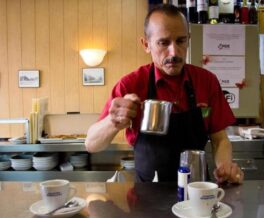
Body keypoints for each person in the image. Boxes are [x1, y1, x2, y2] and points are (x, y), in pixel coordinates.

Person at [85, 4, 244, 184]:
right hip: (147, 198)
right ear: (146, 44)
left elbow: (220, 139)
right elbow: (91, 144)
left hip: (196, 193)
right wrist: (112, 122)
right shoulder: (130, 85)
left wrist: (224, 166)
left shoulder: (206, 81)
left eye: (181, 41)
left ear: (188, 40)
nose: (174, 52)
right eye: (163, 42)